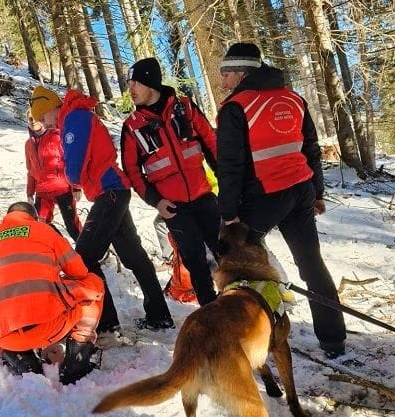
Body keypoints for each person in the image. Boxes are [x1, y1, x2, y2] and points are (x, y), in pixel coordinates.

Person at [216, 42, 346, 357]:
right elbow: (310, 149)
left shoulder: (236, 107)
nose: (223, 82)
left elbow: (230, 167)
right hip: (300, 190)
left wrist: (229, 213)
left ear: (242, 73)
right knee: (312, 265)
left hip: (261, 197)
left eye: (226, 73)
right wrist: (317, 192)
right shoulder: (293, 98)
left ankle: (250, 333)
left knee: (238, 264)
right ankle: (333, 340)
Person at [30, 85, 174, 333]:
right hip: (112, 191)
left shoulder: (74, 117)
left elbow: (75, 163)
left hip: (110, 193)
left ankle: (106, 322)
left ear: (52, 106)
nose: (44, 123)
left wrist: (73, 179)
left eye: (44, 117)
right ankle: (158, 315)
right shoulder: (74, 117)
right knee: (134, 256)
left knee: (84, 257)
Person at [120, 57, 221, 306]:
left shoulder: (185, 107)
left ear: (150, 83)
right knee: (195, 262)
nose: (130, 90)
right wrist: (156, 202)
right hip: (173, 206)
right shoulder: (132, 127)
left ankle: (241, 302)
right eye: (128, 84)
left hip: (205, 196)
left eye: (135, 83)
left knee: (227, 252)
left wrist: (226, 183)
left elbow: (211, 143)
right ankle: (212, 312)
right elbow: (132, 171)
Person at [0, 202, 104, 384]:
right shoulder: (43, 230)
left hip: (2, 335)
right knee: (93, 285)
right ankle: (78, 356)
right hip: (48, 328)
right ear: (34, 217)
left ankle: (17, 354)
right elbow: (79, 271)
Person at [24, 110, 82, 240]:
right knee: (42, 224)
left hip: (62, 188)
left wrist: (76, 186)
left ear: (42, 119)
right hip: (42, 191)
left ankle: (88, 253)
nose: (32, 121)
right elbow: (30, 171)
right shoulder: (28, 145)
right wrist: (29, 193)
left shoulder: (57, 136)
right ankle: (62, 248)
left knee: (72, 226)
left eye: (35, 117)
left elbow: (71, 161)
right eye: (29, 119)